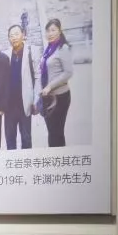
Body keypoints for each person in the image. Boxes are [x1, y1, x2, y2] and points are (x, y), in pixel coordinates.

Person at [39, 18, 74, 148]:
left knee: (56, 133)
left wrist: (50, 86)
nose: (50, 33)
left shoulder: (63, 48)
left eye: (53, 30)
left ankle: (59, 158)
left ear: (60, 31)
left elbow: (68, 73)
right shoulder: (49, 49)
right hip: (48, 97)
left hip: (60, 97)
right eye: (48, 31)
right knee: (52, 133)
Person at [5, 24, 38, 150]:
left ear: (23, 35)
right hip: (9, 106)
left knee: (26, 139)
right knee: (10, 141)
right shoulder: (6, 55)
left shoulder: (31, 52)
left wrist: (35, 99)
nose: (14, 38)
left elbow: (38, 77)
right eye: (11, 35)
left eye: (16, 34)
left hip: (25, 104)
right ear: (8, 38)